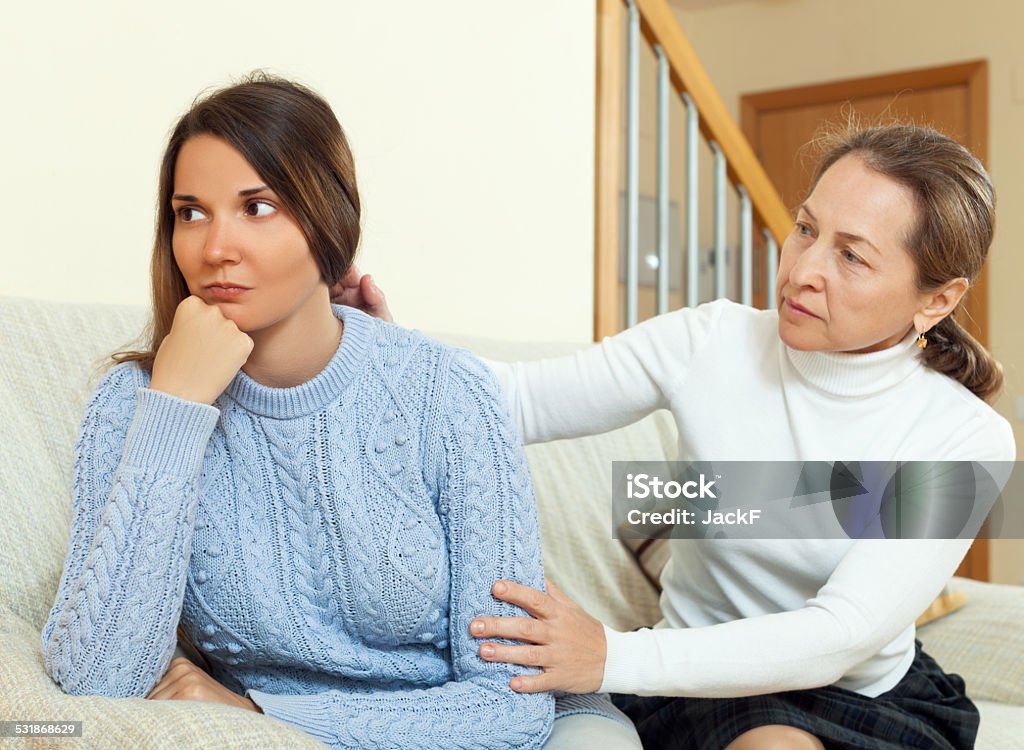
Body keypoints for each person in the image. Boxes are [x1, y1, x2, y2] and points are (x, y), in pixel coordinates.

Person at [342, 124, 1016, 749]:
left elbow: (840, 633)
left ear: (937, 300)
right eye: (806, 229)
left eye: (850, 257)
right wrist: (387, 346)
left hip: (858, 691)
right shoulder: (711, 340)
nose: (804, 269)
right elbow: (515, 401)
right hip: (701, 683)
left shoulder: (965, 438)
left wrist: (609, 654)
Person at [39, 73, 624, 749]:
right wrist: (175, 413)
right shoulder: (136, 403)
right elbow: (95, 685)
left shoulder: (449, 394)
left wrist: (264, 714)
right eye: (190, 212)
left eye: (257, 208)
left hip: (505, 726)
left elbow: (510, 707)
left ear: (329, 221)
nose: (214, 247)